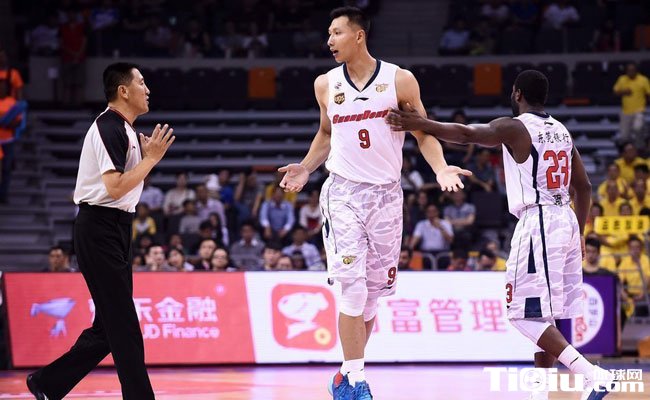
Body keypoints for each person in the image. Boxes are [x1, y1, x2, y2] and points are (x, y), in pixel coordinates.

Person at [387, 69, 615, 399]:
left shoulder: (515, 126)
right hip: (566, 219)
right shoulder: (561, 131)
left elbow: (466, 134)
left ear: (517, 93)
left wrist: (421, 124)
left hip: (539, 220)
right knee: (543, 315)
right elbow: (585, 186)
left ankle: (591, 374)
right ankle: (540, 394)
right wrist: (579, 232)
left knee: (522, 315)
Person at [277, 7, 469, 399]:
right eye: (328, 34)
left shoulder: (399, 79)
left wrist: (440, 168)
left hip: (387, 197)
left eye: (336, 33)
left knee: (372, 296)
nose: (329, 41)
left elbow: (423, 132)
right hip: (343, 193)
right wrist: (306, 168)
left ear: (359, 35)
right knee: (352, 287)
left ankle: (343, 375)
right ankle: (356, 380)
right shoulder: (325, 84)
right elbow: (326, 134)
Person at [27, 62, 174, 400]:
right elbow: (115, 188)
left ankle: (48, 383)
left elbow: (124, 187)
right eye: (141, 82)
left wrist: (146, 159)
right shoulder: (109, 126)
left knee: (109, 326)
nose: (147, 89)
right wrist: (151, 160)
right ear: (123, 90)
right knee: (123, 323)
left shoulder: (125, 130)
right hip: (99, 227)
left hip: (117, 227)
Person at [613, 63, 650, 147]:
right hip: (625, 112)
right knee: (624, 136)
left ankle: (640, 146)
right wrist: (623, 92)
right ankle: (629, 149)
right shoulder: (622, 79)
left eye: (633, 70)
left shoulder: (643, 80)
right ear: (626, 71)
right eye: (629, 70)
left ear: (636, 71)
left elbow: (648, 93)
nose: (631, 72)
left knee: (638, 128)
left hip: (639, 110)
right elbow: (615, 92)